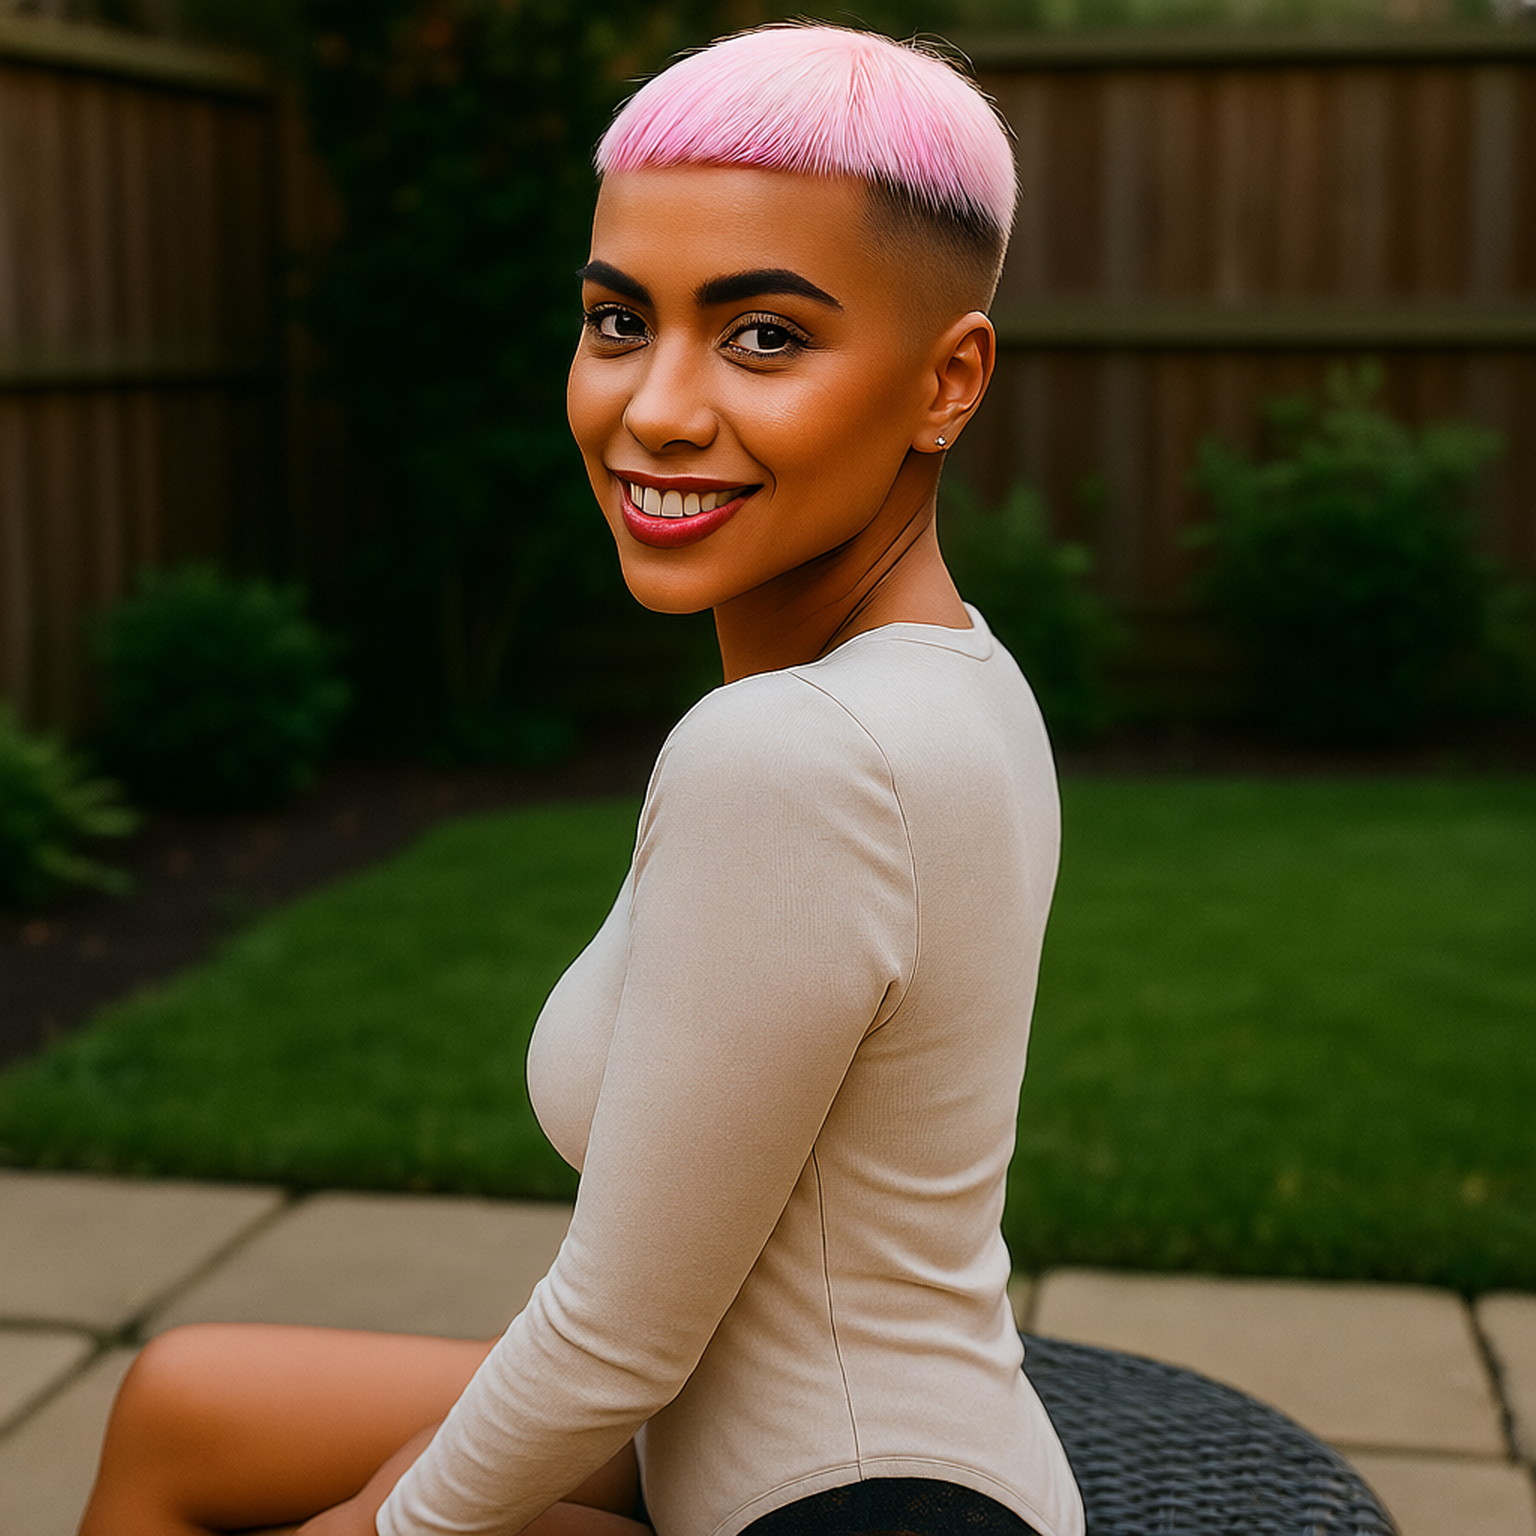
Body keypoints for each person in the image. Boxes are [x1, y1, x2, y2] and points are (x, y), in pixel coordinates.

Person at [78, 23, 1085, 1536]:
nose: (655, 407)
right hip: (800, 1433)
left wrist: (381, 1525)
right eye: (620, 320)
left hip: (838, 1497)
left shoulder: (792, 754)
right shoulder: (962, 672)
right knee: (187, 1401)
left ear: (950, 380)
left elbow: (612, 1343)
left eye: (763, 336)